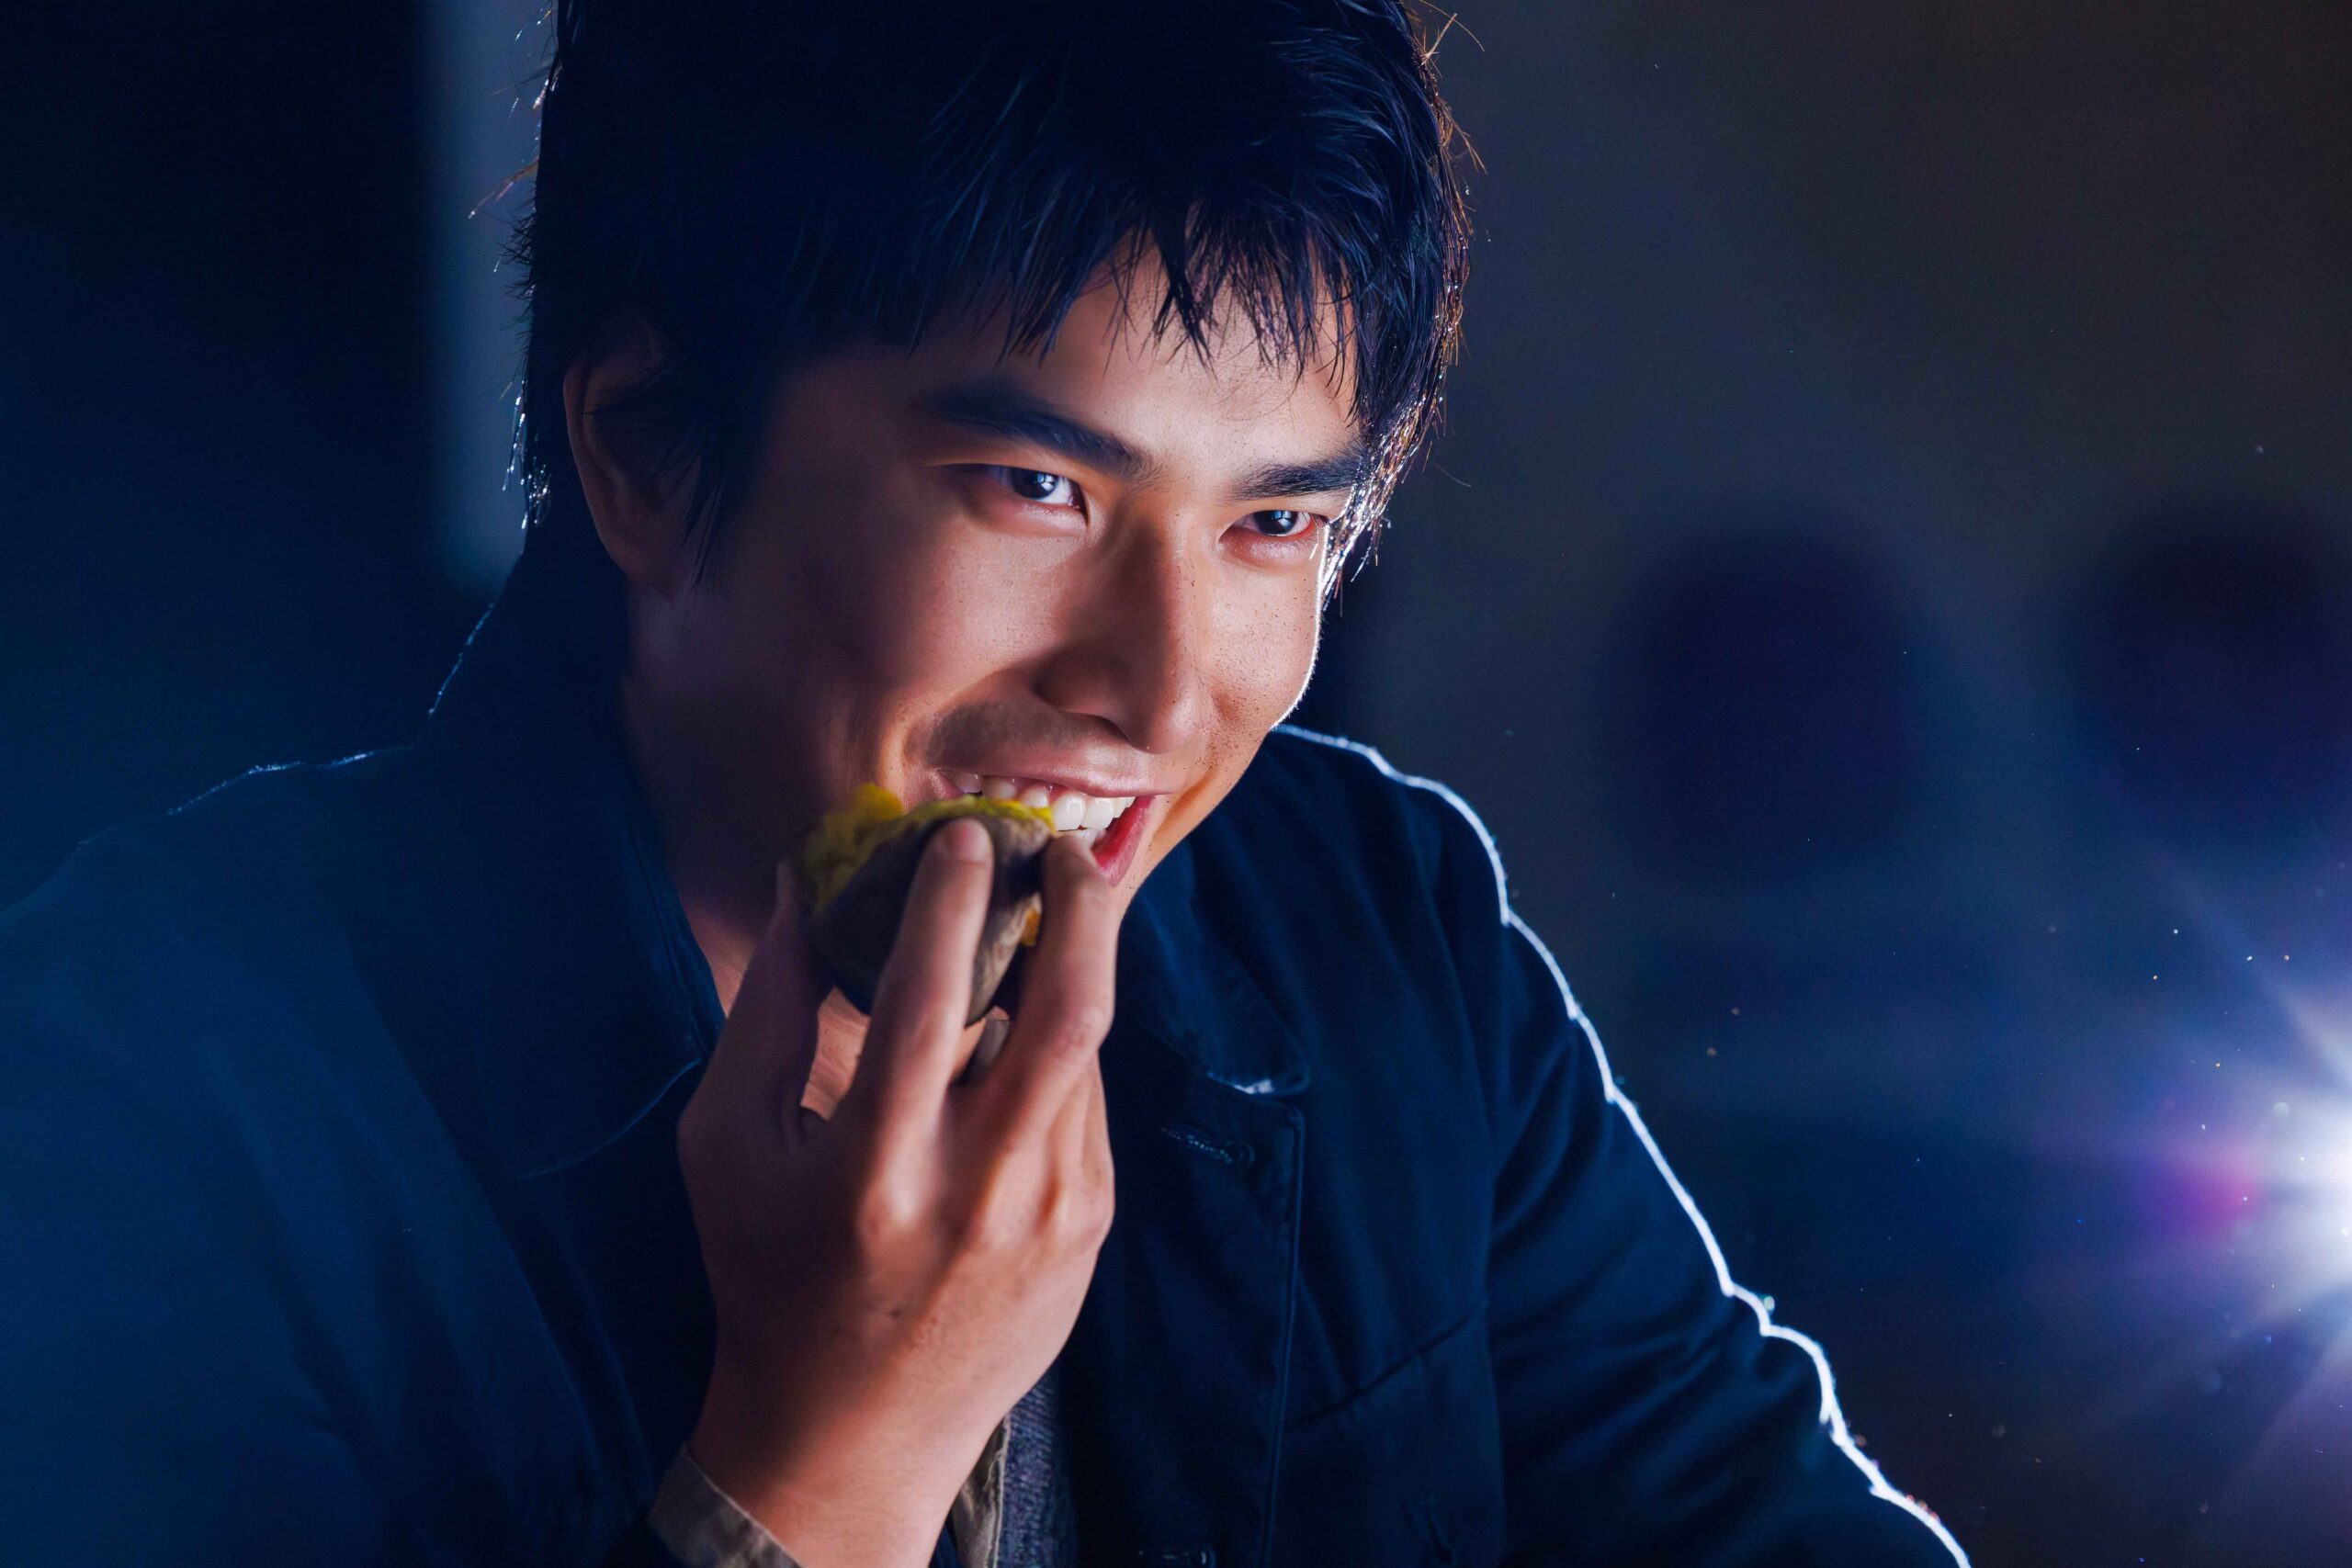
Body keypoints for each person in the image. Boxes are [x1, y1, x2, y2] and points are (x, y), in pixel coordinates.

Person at [0, 3, 1968, 1563]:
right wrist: (824, 1462)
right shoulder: (153, 1072)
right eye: (1036, 487)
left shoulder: (1375, 927)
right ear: (646, 454)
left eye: (1276, 523)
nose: (1163, 687)